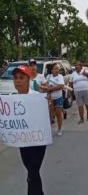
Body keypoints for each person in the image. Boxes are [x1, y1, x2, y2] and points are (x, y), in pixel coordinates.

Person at [12, 65, 47, 195]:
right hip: (23, 143)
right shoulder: (12, 101)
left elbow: (45, 120)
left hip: (38, 142)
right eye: (15, 78)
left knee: (32, 173)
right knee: (32, 173)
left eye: (21, 78)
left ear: (28, 80)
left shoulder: (37, 97)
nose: (18, 81)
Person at [46, 63, 64, 136]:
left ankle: (59, 129)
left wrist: (51, 88)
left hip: (58, 98)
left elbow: (61, 86)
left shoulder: (60, 76)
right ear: (52, 70)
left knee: (58, 114)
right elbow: (46, 85)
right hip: (50, 98)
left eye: (58, 68)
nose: (57, 70)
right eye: (55, 68)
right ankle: (49, 129)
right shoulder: (48, 76)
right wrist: (49, 89)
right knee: (50, 115)